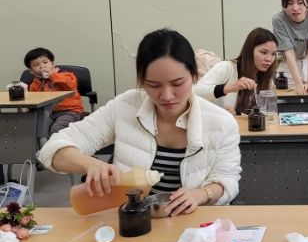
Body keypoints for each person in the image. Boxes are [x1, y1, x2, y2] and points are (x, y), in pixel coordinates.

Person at [38, 29, 241, 216]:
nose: (167, 96)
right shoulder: (126, 106)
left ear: (194, 76)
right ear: (141, 80)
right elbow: (52, 149)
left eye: (177, 83)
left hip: (195, 227)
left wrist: (201, 194)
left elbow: (228, 181)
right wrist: (90, 164)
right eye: (154, 85)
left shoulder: (221, 122)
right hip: (132, 224)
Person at [195, 27, 278, 114]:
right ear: (250, 50)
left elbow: (268, 114)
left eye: (273, 54)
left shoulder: (267, 80)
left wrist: (237, 113)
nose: (269, 59)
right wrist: (229, 88)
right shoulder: (227, 67)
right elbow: (194, 92)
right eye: (264, 52)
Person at [24, 48, 84, 134]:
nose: (42, 66)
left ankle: (59, 143)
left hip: (69, 111)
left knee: (57, 129)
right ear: (31, 71)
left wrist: (52, 75)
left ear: (52, 64)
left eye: (45, 62)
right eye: (36, 65)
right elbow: (34, 99)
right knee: (38, 131)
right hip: (48, 113)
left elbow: (70, 85)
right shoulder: (35, 83)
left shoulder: (65, 75)